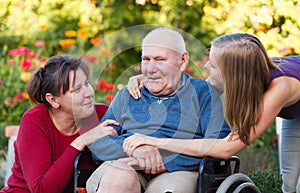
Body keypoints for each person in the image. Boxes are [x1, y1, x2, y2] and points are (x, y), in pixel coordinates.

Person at [124, 33, 300, 193]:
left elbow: (227, 148)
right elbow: (195, 90)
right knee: (290, 184)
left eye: (213, 65)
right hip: (295, 112)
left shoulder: (281, 88)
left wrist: (155, 141)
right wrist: (151, 79)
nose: (207, 65)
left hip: (292, 96)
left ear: (232, 73)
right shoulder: (245, 76)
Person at [86, 27, 231, 193]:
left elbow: (218, 146)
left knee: (170, 190)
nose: (150, 68)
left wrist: (164, 158)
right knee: (118, 176)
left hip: (177, 171)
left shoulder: (203, 93)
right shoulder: (128, 94)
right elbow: (99, 143)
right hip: (126, 163)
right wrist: (139, 152)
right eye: (146, 59)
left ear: (182, 61)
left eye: (160, 59)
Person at [0, 55, 118, 193]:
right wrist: (81, 141)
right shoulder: (35, 121)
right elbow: (41, 190)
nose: (88, 93)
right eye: (77, 89)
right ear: (53, 100)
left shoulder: (101, 115)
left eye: (87, 84)